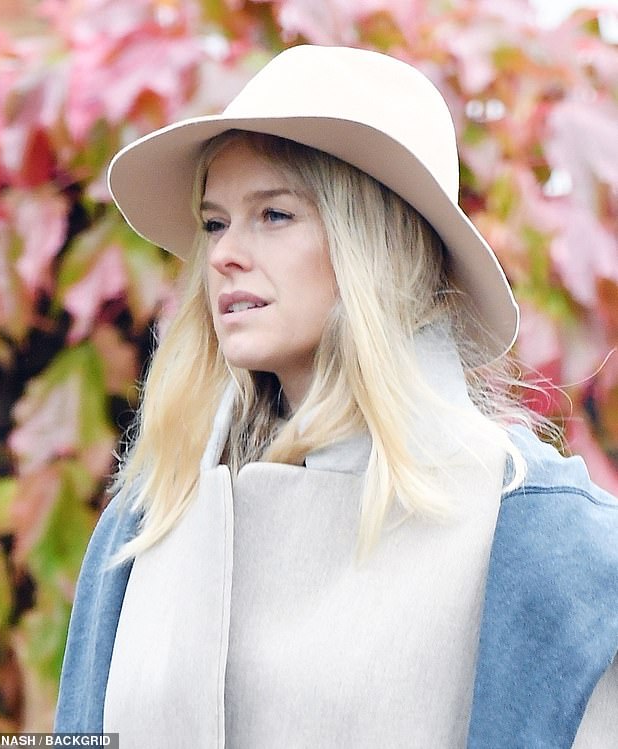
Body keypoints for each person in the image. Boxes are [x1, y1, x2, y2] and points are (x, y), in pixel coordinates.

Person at [54, 45, 618, 747]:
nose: (224, 253)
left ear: (373, 245)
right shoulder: (144, 524)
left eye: (275, 214)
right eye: (215, 222)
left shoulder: (543, 539)